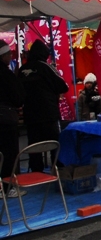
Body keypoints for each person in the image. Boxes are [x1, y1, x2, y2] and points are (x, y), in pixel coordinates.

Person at [19, 39, 69, 172]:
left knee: (34, 145)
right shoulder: (46, 67)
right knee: (54, 143)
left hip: (30, 114)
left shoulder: (22, 69)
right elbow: (63, 86)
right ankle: (57, 170)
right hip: (49, 113)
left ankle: (36, 172)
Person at [0, 41, 25, 197]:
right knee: (9, 154)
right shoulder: (6, 74)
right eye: (9, 54)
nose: (10, 57)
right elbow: (18, 97)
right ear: (3, 56)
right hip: (5, 118)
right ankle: (7, 187)